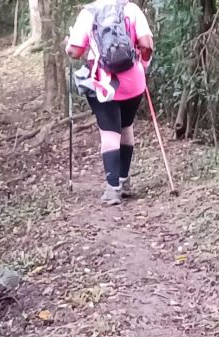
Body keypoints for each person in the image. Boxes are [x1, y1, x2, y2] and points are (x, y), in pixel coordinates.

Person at [65, 0, 153, 205]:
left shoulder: (89, 13)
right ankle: (124, 181)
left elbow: (75, 51)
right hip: (133, 81)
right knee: (126, 127)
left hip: (103, 83)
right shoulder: (132, 9)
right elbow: (147, 45)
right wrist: (143, 66)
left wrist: (67, 44)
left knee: (109, 133)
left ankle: (113, 189)